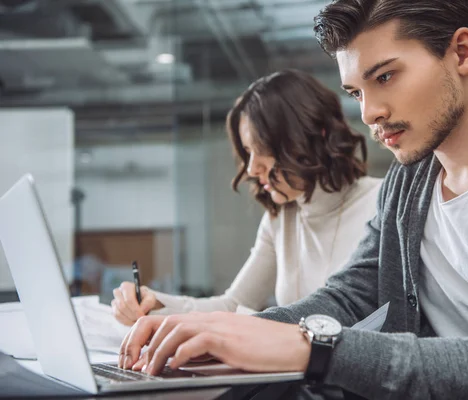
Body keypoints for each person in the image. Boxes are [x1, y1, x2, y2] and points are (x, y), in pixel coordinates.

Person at [118, 0, 468, 398]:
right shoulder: (407, 182)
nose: (370, 113)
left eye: (385, 77)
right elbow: (350, 294)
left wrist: (316, 348)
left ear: (462, 51)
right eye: (356, 91)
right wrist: (221, 338)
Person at [111, 69, 383, 326]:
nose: (252, 168)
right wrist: (154, 303)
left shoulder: (381, 203)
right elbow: (234, 304)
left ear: (314, 136)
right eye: (247, 152)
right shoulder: (280, 219)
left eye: (261, 148)